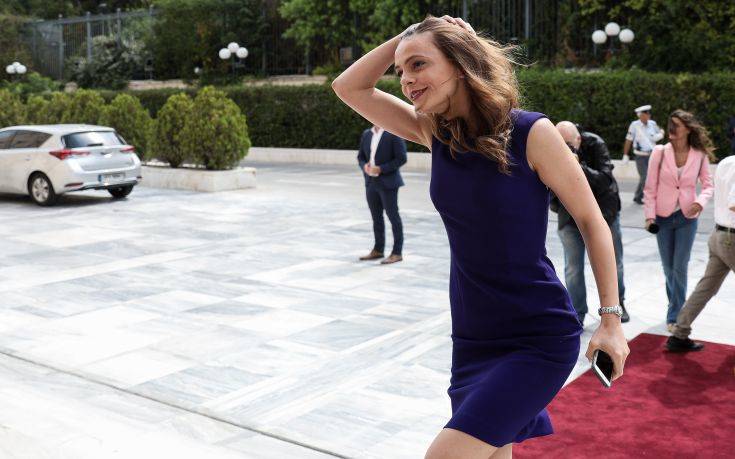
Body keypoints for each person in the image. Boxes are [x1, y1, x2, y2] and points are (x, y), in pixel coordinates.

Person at [332, 15, 629, 459]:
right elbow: (349, 87)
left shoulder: (532, 133)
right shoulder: (434, 132)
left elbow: (591, 220)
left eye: (419, 64)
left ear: (459, 63)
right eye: (401, 71)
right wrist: (411, 35)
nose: (407, 80)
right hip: (473, 335)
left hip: (536, 333)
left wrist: (610, 320)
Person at [643, 110, 715, 332]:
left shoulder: (699, 154)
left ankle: (675, 315)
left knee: (680, 267)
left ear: (688, 128)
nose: (672, 128)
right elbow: (650, 187)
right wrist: (649, 216)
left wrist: (700, 202)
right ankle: (675, 305)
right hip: (662, 218)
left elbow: (708, 185)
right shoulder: (659, 152)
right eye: (670, 124)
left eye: (677, 125)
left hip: (687, 217)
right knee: (668, 268)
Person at [554, 122, 629, 325]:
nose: (564, 148)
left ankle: (618, 305)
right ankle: (577, 313)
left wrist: (578, 166)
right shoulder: (552, 148)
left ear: (579, 139)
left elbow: (605, 180)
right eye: (560, 144)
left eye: (568, 144)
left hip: (604, 215)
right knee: (573, 268)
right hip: (569, 218)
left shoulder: (595, 144)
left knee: (613, 263)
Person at [666, 152, 735, 352]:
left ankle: (679, 334)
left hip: (718, 235)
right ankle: (679, 333)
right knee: (706, 287)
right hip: (731, 237)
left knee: (706, 287)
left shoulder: (726, 161)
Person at [357, 124, 407, 264]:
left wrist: (381, 169)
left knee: (393, 217)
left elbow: (401, 158)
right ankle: (378, 250)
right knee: (376, 218)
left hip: (388, 183)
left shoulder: (394, 132)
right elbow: (360, 157)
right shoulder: (367, 134)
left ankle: (397, 252)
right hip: (370, 183)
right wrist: (364, 166)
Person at [623, 105, 664, 204]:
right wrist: (625, 155)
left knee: (651, 177)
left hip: (652, 155)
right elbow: (628, 140)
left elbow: (660, 132)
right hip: (640, 156)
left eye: (649, 113)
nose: (648, 115)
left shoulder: (653, 124)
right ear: (640, 115)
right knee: (645, 177)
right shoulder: (634, 125)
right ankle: (642, 197)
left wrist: (660, 134)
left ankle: (639, 196)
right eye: (646, 113)